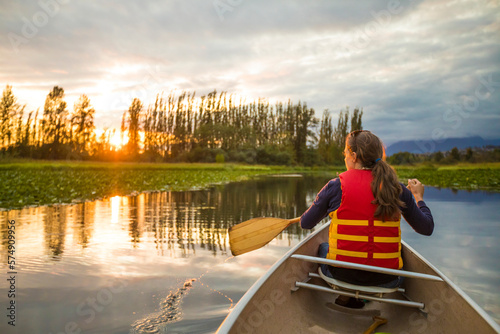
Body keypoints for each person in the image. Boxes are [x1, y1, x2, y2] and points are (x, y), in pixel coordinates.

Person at [299, 130, 434, 308]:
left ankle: (347, 296)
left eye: (345, 153)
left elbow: (305, 223)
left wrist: (325, 209)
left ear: (354, 156)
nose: (345, 158)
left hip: (340, 275)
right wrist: (418, 197)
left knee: (323, 246)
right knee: (399, 250)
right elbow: (426, 228)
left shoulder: (335, 186)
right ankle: (361, 296)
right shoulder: (398, 189)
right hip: (388, 280)